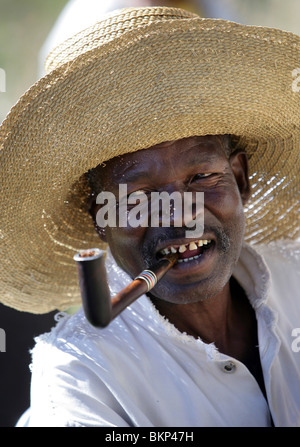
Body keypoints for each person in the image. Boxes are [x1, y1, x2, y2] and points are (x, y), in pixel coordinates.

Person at [1, 6, 299, 427]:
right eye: (138, 197)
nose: (180, 218)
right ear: (100, 219)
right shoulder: (80, 377)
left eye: (200, 177)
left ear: (240, 177)